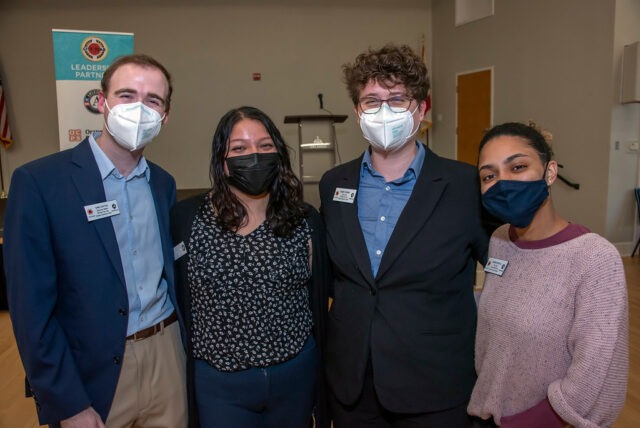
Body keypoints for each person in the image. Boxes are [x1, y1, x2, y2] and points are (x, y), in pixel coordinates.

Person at [4, 54, 187, 427]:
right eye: (126, 95)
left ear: (165, 116)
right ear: (102, 102)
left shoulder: (163, 184)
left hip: (166, 353)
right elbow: (30, 310)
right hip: (92, 366)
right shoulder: (41, 183)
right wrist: (65, 402)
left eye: (153, 100)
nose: (139, 108)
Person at [319, 44, 488, 427]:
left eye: (397, 99)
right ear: (357, 112)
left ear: (422, 109)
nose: (383, 111)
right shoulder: (334, 184)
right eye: (371, 101)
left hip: (435, 384)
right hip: (354, 385)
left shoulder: (463, 184)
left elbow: (501, 270)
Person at [170, 106, 330, 428]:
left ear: (279, 154)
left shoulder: (305, 219)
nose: (254, 156)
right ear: (222, 160)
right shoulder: (187, 219)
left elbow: (320, 294)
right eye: (240, 149)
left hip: (295, 376)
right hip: (220, 385)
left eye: (265, 146)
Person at [467, 121, 629, 427]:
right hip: (487, 415)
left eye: (517, 167)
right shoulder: (501, 240)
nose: (502, 184)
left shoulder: (595, 258)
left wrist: (537, 420)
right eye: (489, 175)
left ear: (550, 172)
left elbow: (598, 372)